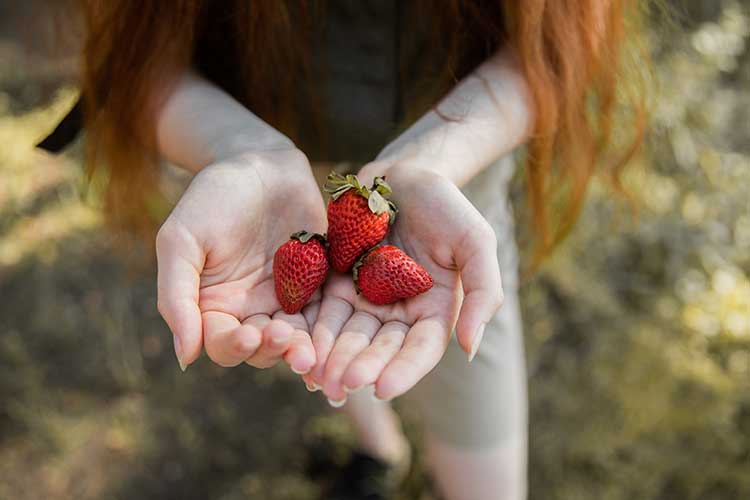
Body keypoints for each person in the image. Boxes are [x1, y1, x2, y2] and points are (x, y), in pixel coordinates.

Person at [40, 1, 645, 498]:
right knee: (320, 333)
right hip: (266, 149)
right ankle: (380, 449)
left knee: (464, 332)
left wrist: (433, 161)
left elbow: (561, 42)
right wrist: (239, 149)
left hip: (454, 162)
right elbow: (136, 57)